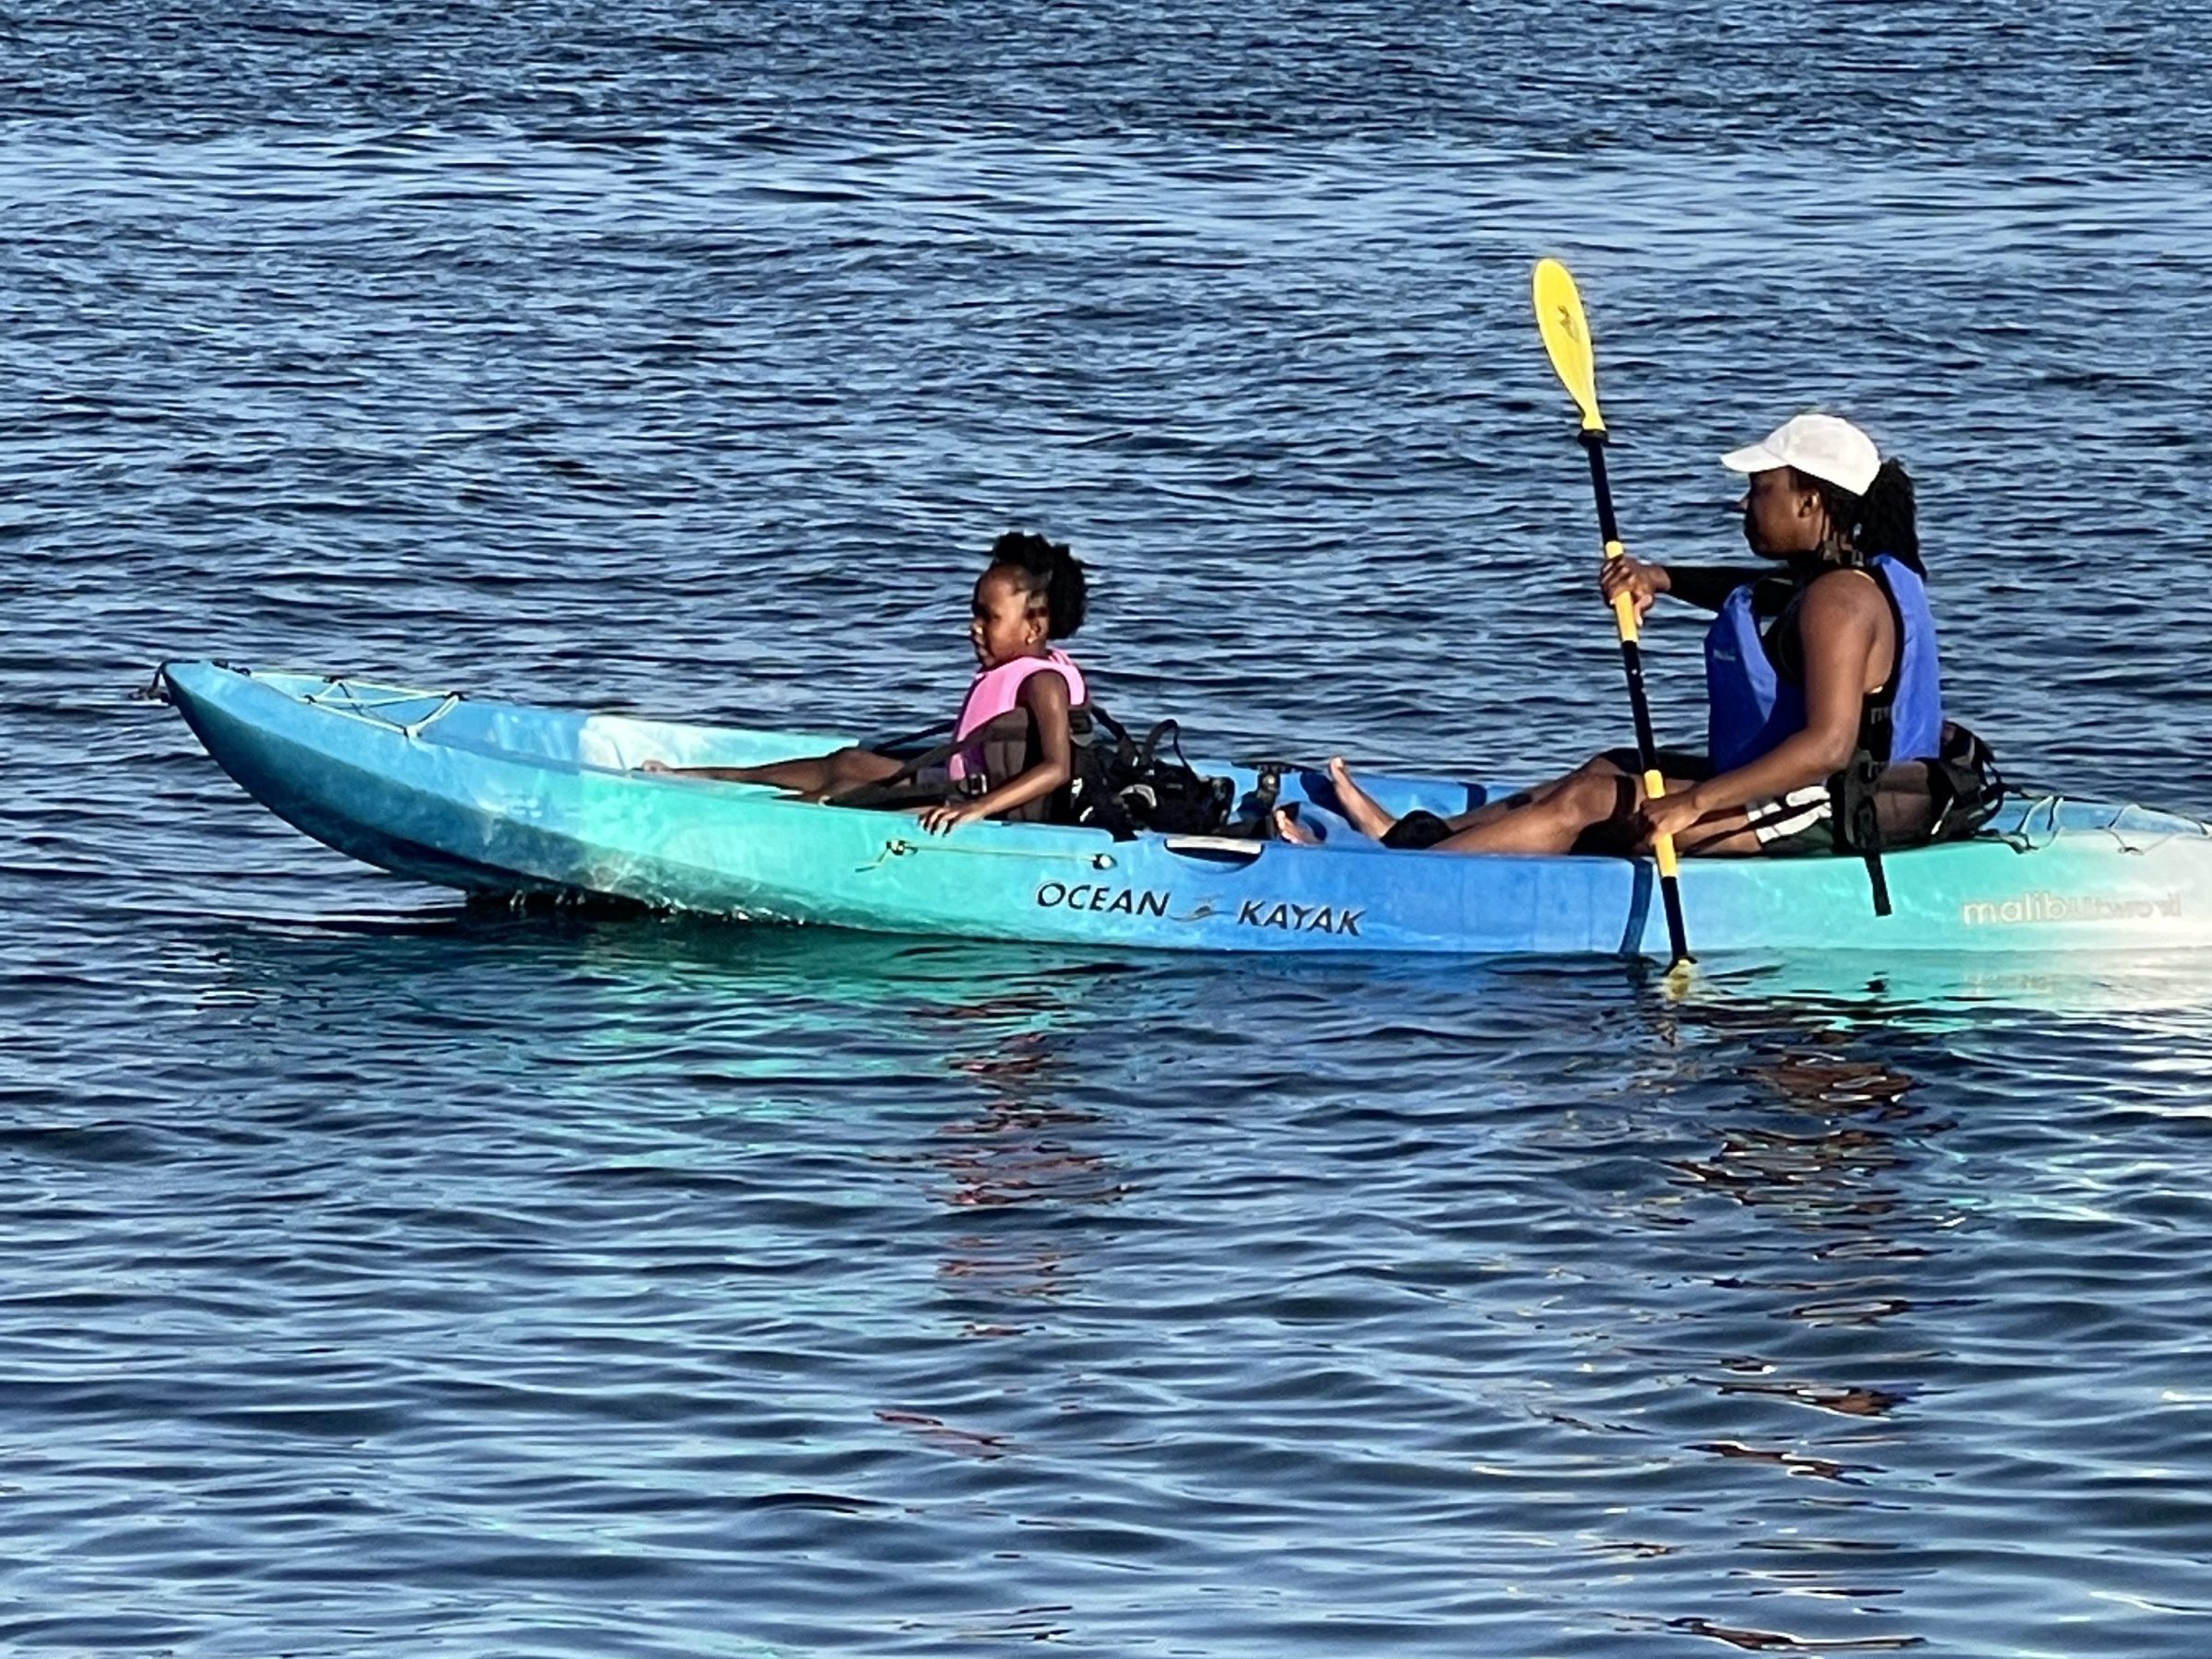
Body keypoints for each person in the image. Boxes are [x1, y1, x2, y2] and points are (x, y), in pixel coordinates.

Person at [1287, 413, 1949, 860]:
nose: (1744, 505)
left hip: (1834, 805)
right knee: (1611, 768)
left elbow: (1828, 745)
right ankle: (1412, 839)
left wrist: (1693, 804)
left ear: (1811, 500)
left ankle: (1396, 879)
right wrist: (1658, 576)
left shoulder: (1839, 600)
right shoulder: (1830, 580)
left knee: (1593, 802)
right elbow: (1748, 591)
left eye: (1760, 490)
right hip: (1822, 788)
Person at [642, 532, 1092, 834]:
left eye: (987, 617)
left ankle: (736, 825)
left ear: (1034, 627)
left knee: (842, 795)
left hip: (986, 813)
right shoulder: (1012, 669)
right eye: (974, 612)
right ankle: (704, 777)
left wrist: (974, 809)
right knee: (850, 761)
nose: (973, 627)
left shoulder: (1044, 681)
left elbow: (1057, 768)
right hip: (955, 787)